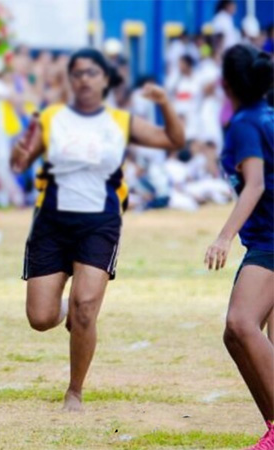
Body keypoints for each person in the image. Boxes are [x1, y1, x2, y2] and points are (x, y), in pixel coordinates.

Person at [11, 48, 185, 412]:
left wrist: (165, 104)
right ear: (70, 80)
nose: (84, 79)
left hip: (100, 222)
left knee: (87, 309)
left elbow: (174, 140)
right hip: (51, 222)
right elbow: (20, 162)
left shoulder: (120, 121)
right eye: (77, 73)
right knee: (40, 318)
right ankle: (66, 308)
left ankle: (74, 391)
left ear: (105, 79)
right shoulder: (53, 118)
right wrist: (20, 152)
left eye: (92, 72)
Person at [205, 44, 273, 450]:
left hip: (269, 240)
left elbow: (256, 184)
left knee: (240, 325)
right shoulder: (265, 115)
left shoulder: (246, 123)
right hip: (266, 238)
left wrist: (224, 236)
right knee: (242, 335)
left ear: (226, 83)